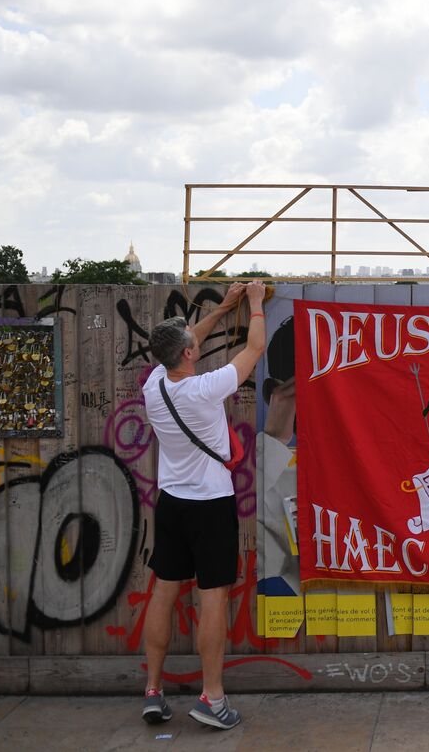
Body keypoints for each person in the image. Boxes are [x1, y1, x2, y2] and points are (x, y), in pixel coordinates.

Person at [138, 280, 267, 730]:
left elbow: (185, 340)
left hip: (171, 502)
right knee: (211, 599)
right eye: (191, 343)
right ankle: (212, 698)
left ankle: (153, 691)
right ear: (189, 354)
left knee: (164, 593)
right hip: (211, 505)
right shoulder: (206, 390)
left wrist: (223, 305)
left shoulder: (155, 384)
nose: (196, 340)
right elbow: (254, 346)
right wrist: (252, 303)